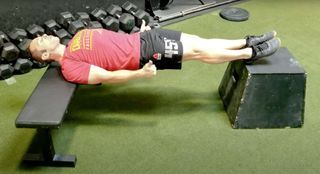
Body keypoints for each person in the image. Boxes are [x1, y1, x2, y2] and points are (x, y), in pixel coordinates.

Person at [28, 21, 280, 85]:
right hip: (146, 52)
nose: (43, 36)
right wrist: (139, 74)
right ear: (45, 56)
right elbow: (105, 76)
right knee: (199, 52)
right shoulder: (70, 66)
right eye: (40, 42)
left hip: (144, 37)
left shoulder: (77, 38)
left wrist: (140, 31)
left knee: (198, 40)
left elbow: (114, 41)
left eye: (40, 35)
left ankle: (246, 40)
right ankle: (250, 52)